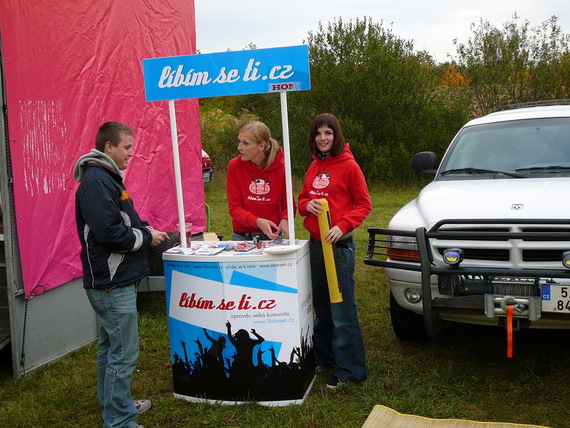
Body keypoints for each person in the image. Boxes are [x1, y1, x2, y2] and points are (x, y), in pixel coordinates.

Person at [74, 121, 169, 428]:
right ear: (108, 148)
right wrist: (146, 238)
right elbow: (111, 233)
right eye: (127, 147)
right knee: (123, 353)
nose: (131, 153)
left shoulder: (106, 178)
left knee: (110, 347)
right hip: (111, 283)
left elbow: (124, 220)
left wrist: (144, 229)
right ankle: (118, 420)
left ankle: (117, 404)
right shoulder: (97, 182)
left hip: (112, 279)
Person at [298, 113, 372, 389]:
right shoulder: (314, 166)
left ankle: (352, 369)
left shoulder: (349, 166)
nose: (323, 138)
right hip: (316, 248)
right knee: (322, 308)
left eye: (328, 133)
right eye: (318, 133)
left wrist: (342, 225)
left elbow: (364, 204)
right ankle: (325, 357)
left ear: (336, 136)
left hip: (338, 249)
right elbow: (302, 199)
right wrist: (307, 206)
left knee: (342, 311)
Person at [226, 121, 294, 241]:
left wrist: (285, 220)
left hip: (272, 236)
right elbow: (234, 207)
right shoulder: (234, 166)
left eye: (245, 143)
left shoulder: (282, 167)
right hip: (242, 236)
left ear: (261, 146)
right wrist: (257, 221)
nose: (239, 147)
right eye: (239, 141)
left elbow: (288, 205)